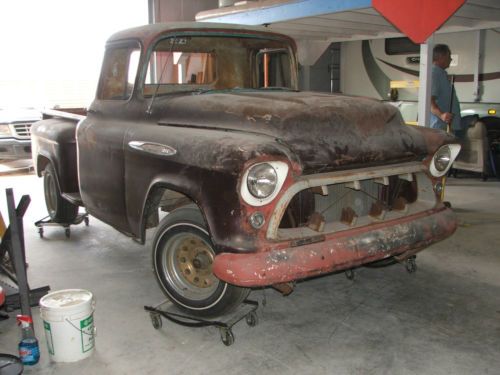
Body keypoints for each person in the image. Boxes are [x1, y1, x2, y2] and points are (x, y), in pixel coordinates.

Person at [430, 44, 466, 139]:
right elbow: (429, 101)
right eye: (449, 57)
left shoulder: (440, 73)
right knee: (441, 153)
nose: (451, 59)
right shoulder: (434, 74)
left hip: (446, 126)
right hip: (440, 127)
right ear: (441, 57)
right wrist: (441, 115)